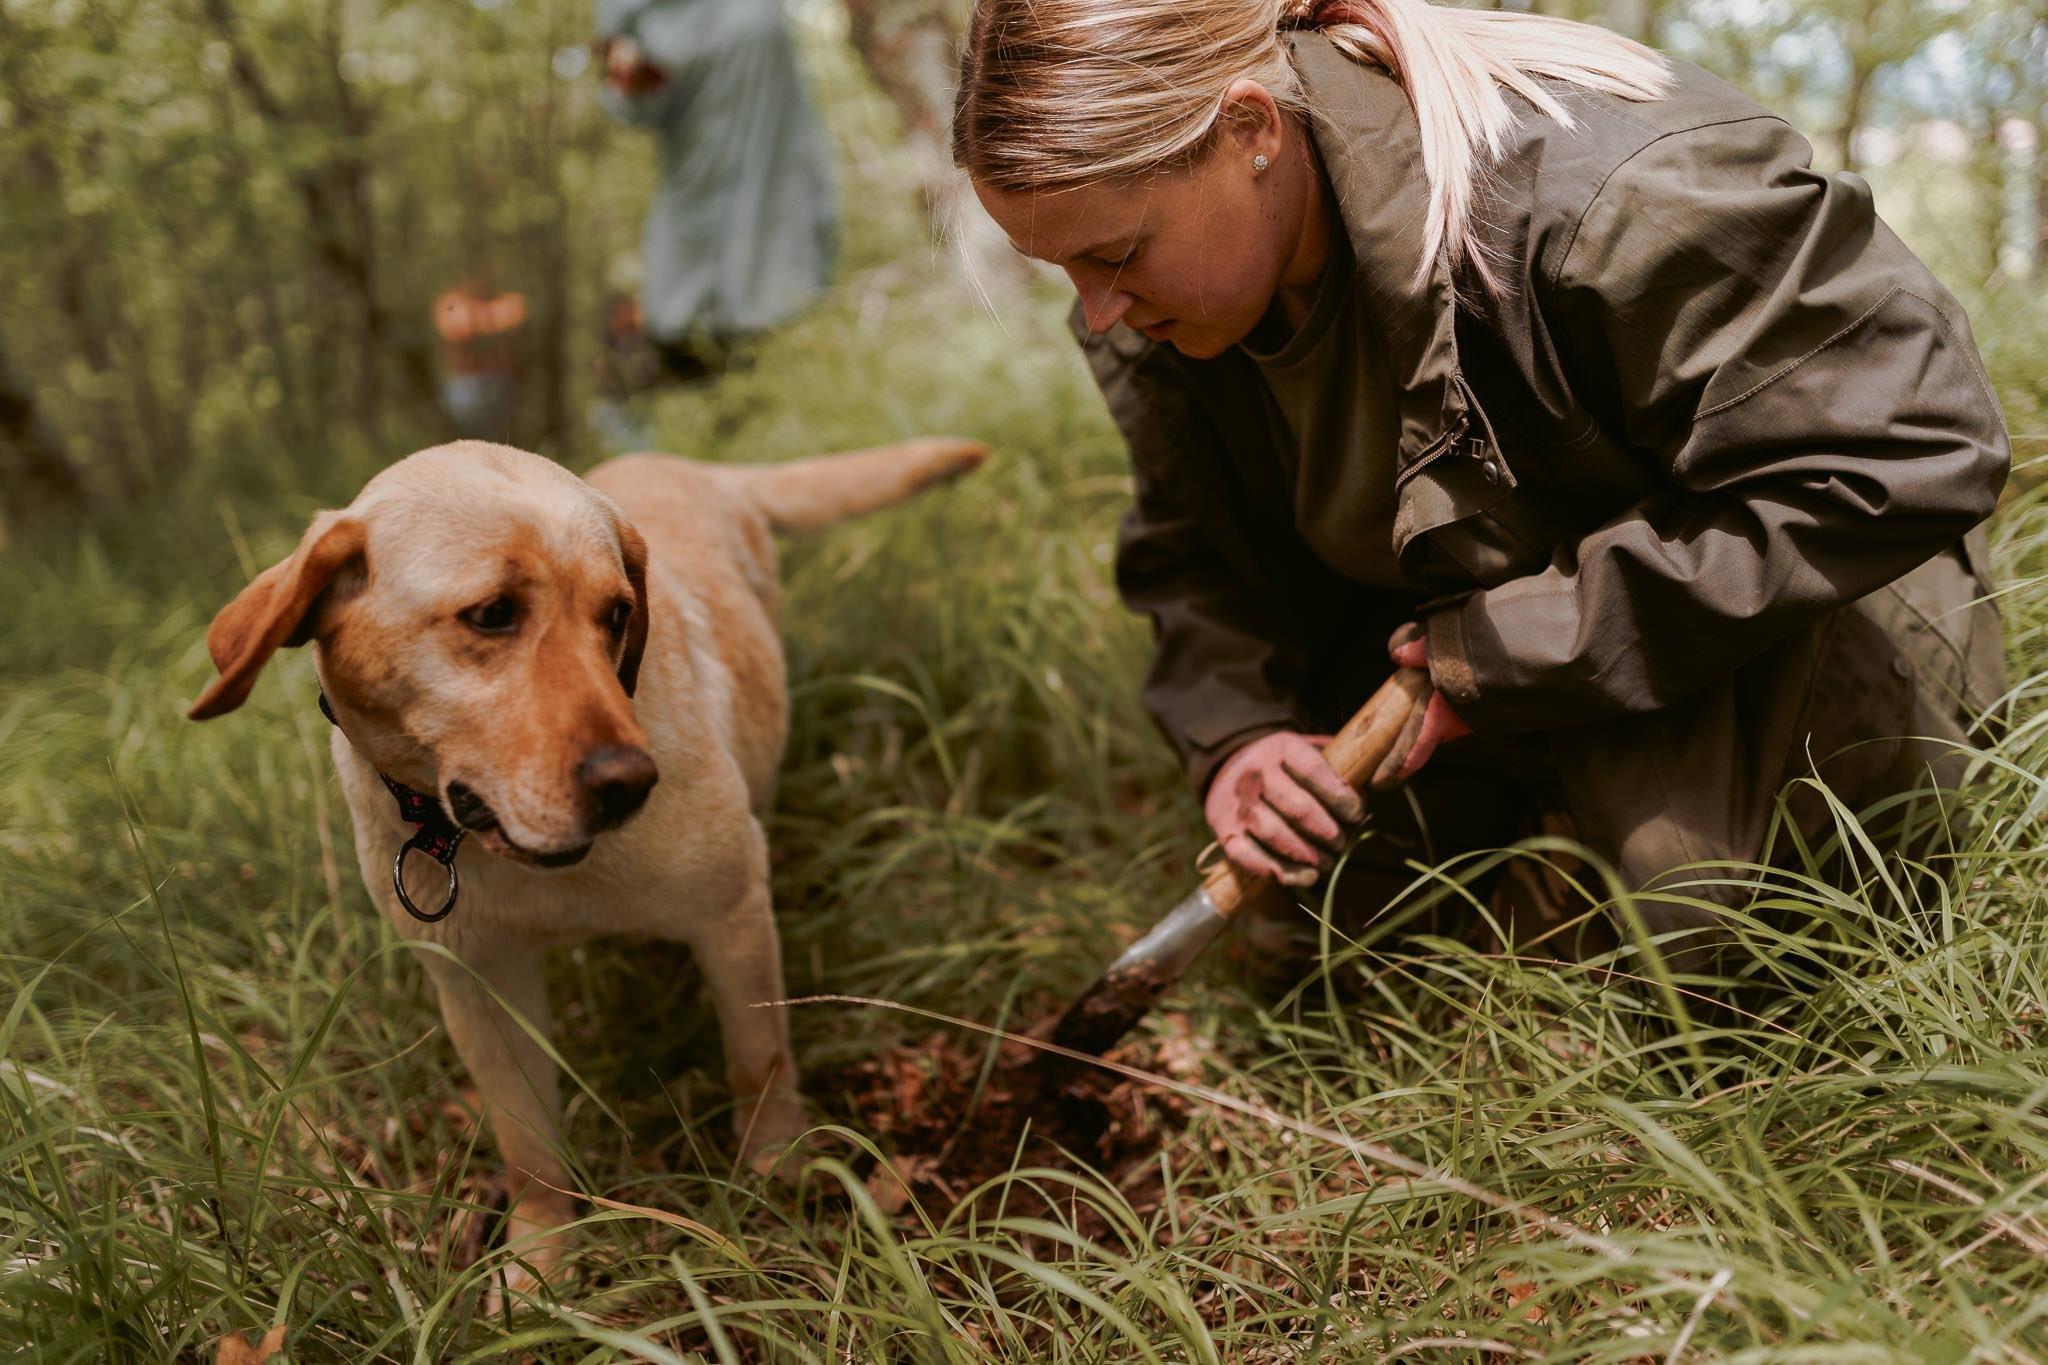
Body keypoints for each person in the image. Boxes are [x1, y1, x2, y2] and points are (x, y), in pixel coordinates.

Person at [952, 0, 2011, 974]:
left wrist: (1513, 649)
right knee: (1316, 942)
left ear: (1249, 132)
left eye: (1117, 254)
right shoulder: (1171, 310)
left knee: (1715, 938)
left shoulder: (1607, 196)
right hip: (1470, 619)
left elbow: (1909, 448)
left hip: (1766, 602)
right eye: (1063, 272)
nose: (1094, 312)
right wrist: (1238, 737)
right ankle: (1540, 828)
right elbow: (1194, 549)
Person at [595, 0, 838, 383]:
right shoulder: (638, 18)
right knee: (691, 351)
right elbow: (627, 96)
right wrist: (631, 79)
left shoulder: (755, 15)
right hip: (693, 213)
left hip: (775, 203)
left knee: (776, 341)